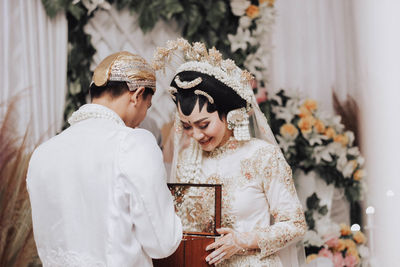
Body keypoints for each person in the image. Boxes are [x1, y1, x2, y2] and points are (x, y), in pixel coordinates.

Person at [153, 39, 306, 266]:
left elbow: (295, 225)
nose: (196, 135)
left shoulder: (262, 157)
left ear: (229, 115)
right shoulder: (188, 160)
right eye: (187, 126)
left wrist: (243, 240)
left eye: (203, 125)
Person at [27, 51, 182, 266]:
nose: (144, 115)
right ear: (136, 95)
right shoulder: (134, 144)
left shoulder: (42, 154)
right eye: (148, 106)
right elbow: (162, 242)